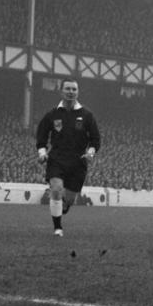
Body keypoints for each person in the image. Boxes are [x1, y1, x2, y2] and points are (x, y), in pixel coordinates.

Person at [35, 78, 101, 237]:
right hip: (57, 158)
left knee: (70, 199)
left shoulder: (87, 115)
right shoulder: (52, 114)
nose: (71, 92)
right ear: (61, 91)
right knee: (56, 189)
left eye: (74, 89)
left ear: (78, 92)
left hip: (78, 161)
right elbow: (41, 137)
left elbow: (95, 139)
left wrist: (91, 152)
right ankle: (58, 228)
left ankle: (64, 206)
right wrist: (42, 153)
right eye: (68, 89)